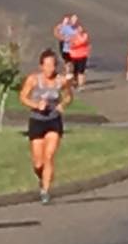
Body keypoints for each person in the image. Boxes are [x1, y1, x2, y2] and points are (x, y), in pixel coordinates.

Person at [19, 50, 73, 204]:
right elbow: (23, 97)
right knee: (38, 163)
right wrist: (36, 105)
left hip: (53, 121)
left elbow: (68, 96)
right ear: (41, 66)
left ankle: (45, 191)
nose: (50, 69)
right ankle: (41, 178)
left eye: (53, 65)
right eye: (47, 65)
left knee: (49, 156)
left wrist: (62, 104)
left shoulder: (61, 81)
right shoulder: (33, 80)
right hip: (37, 121)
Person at [68, 22, 91, 88]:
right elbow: (71, 44)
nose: (80, 30)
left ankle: (81, 85)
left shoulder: (85, 35)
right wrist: (74, 43)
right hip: (74, 56)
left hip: (83, 55)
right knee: (74, 71)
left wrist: (76, 43)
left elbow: (83, 41)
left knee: (81, 71)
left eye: (81, 29)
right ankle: (75, 82)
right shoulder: (73, 36)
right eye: (78, 29)